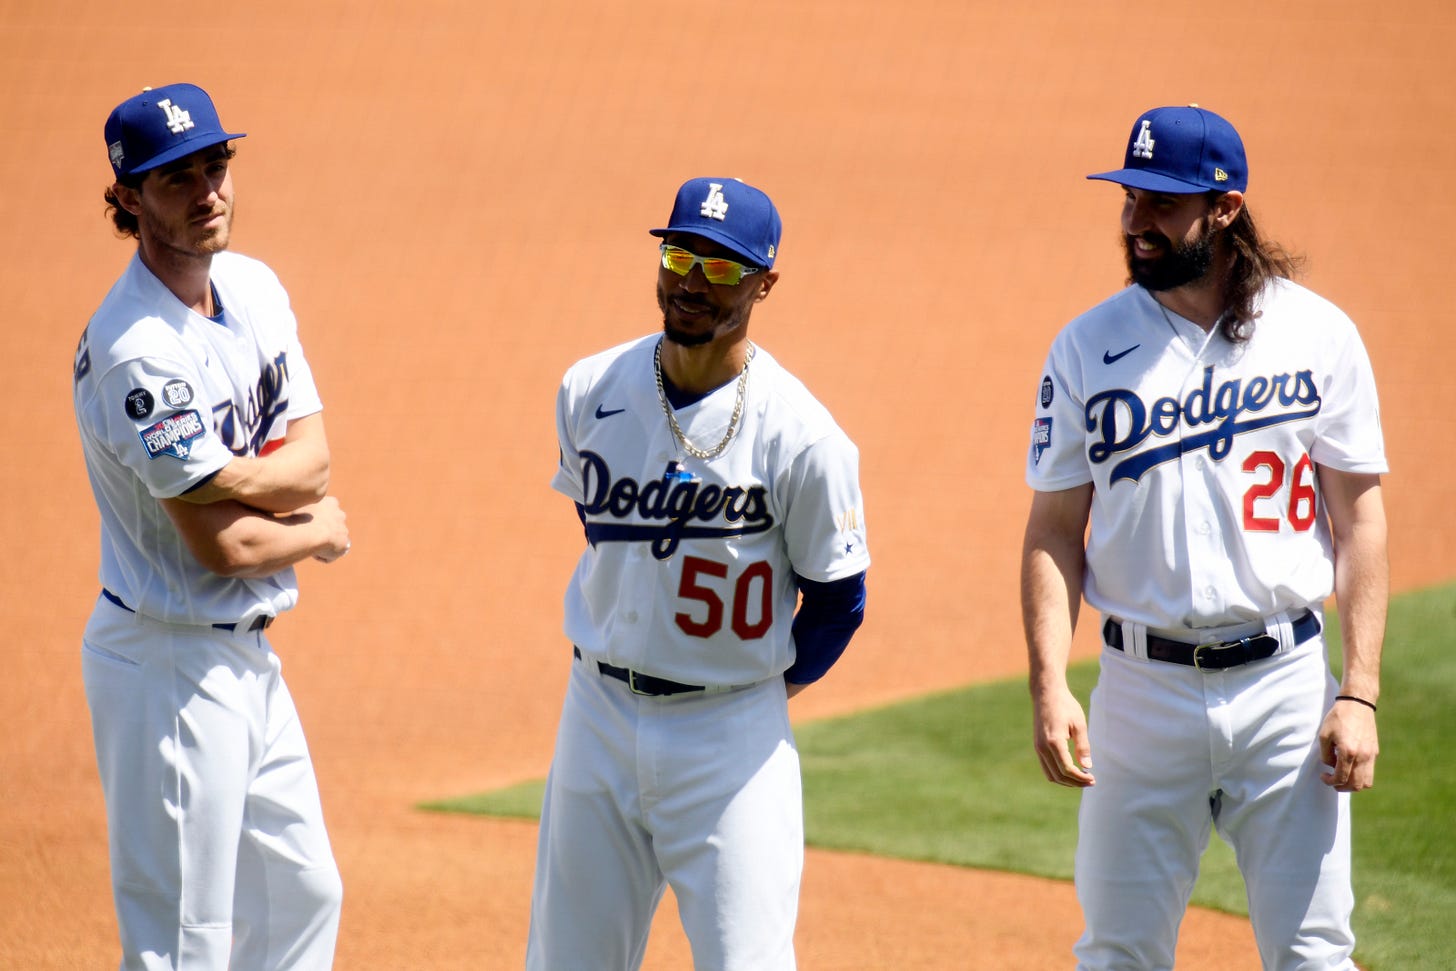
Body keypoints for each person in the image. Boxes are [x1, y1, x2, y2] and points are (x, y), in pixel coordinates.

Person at [1021, 104, 1389, 970]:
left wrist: (1360, 691)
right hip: (1140, 693)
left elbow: (1360, 519)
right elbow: (1052, 527)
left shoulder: (1318, 333)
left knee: (1314, 953)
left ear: (1224, 208)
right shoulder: (1085, 348)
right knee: (1116, 952)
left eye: (1160, 203)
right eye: (1129, 198)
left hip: (1287, 689)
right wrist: (1049, 682)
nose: (1135, 221)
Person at [527, 177, 871, 970]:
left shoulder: (805, 438)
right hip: (597, 716)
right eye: (680, 255)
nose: (690, 282)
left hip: (730, 739)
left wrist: (757, 691)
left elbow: (838, 601)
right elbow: (603, 530)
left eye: (720, 269)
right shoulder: (589, 391)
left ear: (764, 283)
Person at [73, 83, 351, 970]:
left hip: (247, 661)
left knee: (304, 891)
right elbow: (225, 546)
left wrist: (231, 478)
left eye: (216, 165)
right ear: (126, 197)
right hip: (169, 665)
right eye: (175, 179)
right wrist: (317, 529)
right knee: (186, 939)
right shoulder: (136, 350)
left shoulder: (254, 286)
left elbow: (314, 457)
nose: (207, 192)